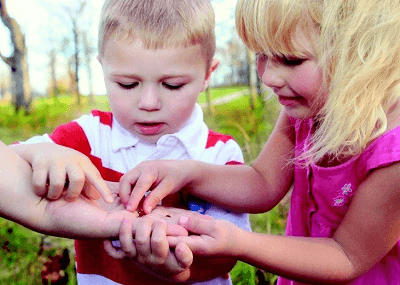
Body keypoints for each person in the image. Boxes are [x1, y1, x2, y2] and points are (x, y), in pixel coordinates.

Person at [120, 0, 400, 284]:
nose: (268, 76)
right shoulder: (308, 108)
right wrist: (186, 173)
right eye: (261, 55)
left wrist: (237, 242)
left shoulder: (393, 152)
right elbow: (263, 183)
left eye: (290, 60)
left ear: (364, 54)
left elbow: (346, 256)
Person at [11, 0, 251, 284]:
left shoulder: (220, 155)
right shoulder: (87, 137)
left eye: (172, 85)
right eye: (128, 84)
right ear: (103, 68)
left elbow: (233, 250)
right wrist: (39, 152)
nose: (148, 103)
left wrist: (177, 265)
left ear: (208, 75)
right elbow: (9, 162)